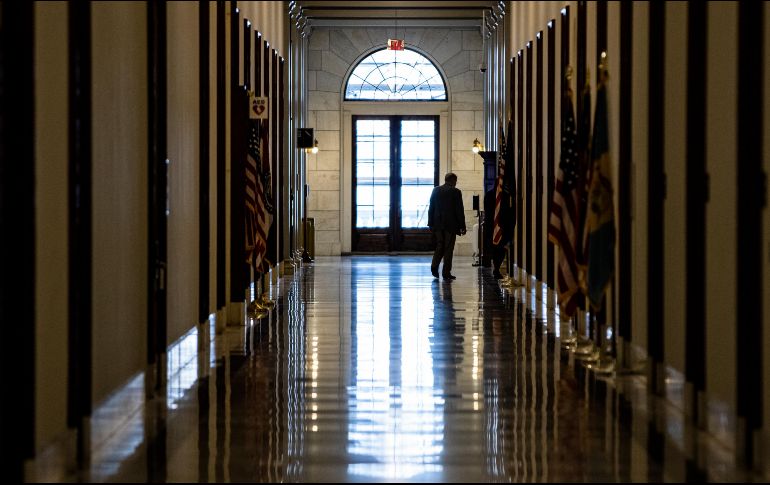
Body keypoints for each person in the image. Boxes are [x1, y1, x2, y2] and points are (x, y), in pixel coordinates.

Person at [428, 173, 466, 280]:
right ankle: (446, 272)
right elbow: (459, 210)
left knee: (440, 246)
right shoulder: (456, 192)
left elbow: (431, 208)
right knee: (448, 248)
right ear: (453, 180)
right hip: (451, 225)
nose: (455, 183)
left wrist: (430, 223)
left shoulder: (435, 190)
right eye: (455, 181)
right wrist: (462, 226)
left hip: (438, 224)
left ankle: (434, 267)